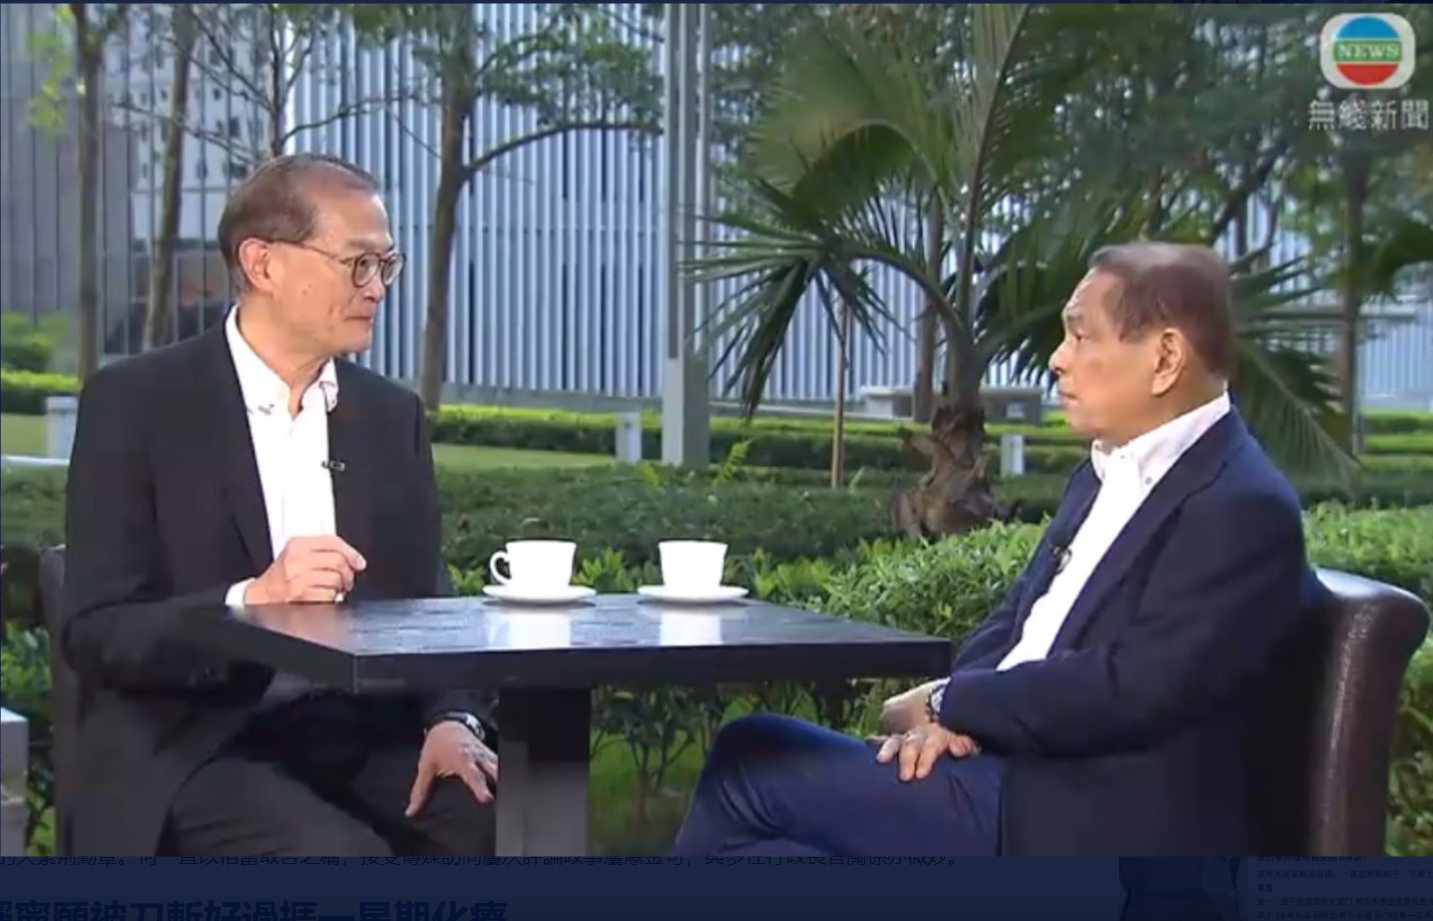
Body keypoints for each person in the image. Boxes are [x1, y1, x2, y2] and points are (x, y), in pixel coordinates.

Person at [670, 241, 1328, 856]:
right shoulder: (1104, 471)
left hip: (1079, 815)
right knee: (765, 801)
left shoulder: (1240, 505)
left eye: (1080, 335)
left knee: (748, 768)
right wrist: (950, 720)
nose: (1057, 358)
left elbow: (1131, 687)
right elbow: (1018, 619)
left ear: (1164, 358)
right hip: (1004, 768)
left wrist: (950, 703)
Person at [61, 153, 497, 856]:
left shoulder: (390, 417)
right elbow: (97, 631)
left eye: (386, 265)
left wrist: (452, 717)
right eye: (357, 263)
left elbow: (427, 599)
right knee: (340, 861)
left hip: (362, 732)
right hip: (199, 744)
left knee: (512, 824)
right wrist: (251, 599)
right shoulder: (136, 404)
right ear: (262, 263)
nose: (376, 287)